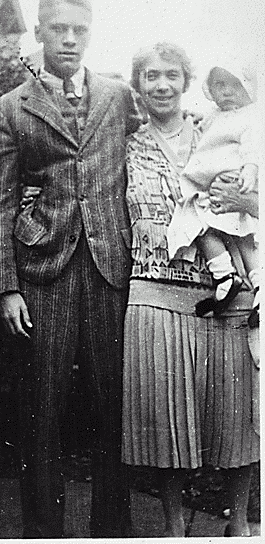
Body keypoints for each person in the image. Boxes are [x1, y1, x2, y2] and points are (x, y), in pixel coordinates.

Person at [0, 0, 140, 538]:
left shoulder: (119, 97)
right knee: (40, 414)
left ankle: (111, 531)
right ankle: (43, 533)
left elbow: (161, 150)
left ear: (89, 34)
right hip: (41, 276)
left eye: (79, 30)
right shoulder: (8, 110)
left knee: (111, 412)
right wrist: (6, 287)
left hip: (109, 271)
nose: (69, 39)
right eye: (59, 29)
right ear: (40, 33)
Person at [121, 42, 259, 537]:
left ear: (186, 81)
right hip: (154, 295)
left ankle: (240, 526)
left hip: (227, 295)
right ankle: (175, 530)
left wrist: (245, 198)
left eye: (172, 75)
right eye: (151, 76)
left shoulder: (220, 131)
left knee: (238, 423)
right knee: (165, 428)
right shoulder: (124, 144)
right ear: (137, 86)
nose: (161, 85)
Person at [167, 62, 259, 326]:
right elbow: (201, 126)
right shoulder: (215, 115)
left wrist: (250, 171)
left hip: (232, 179)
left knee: (201, 220)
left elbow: (253, 147)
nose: (227, 92)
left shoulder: (251, 116)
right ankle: (238, 280)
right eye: (220, 86)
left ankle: (229, 277)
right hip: (214, 181)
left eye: (234, 85)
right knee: (237, 233)